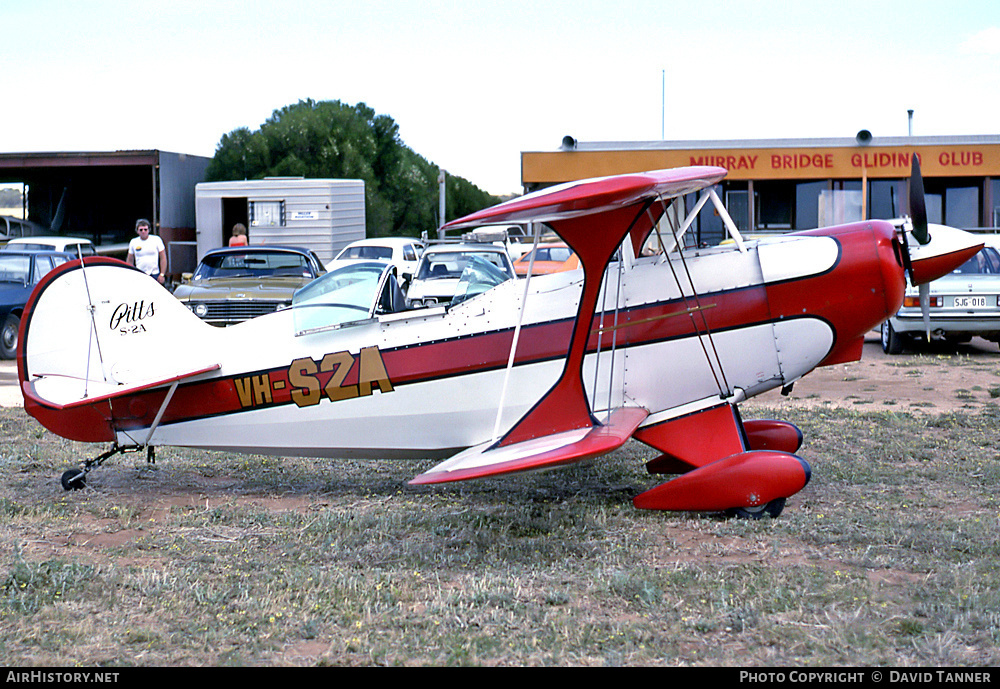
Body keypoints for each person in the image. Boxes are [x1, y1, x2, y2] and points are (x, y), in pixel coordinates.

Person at [126, 218, 167, 285]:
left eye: (145, 229)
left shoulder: (156, 240)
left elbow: (163, 258)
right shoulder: (133, 242)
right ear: (137, 231)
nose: (143, 232)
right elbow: (130, 260)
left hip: (155, 274)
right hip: (140, 274)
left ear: (148, 230)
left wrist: (162, 274)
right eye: (141, 230)